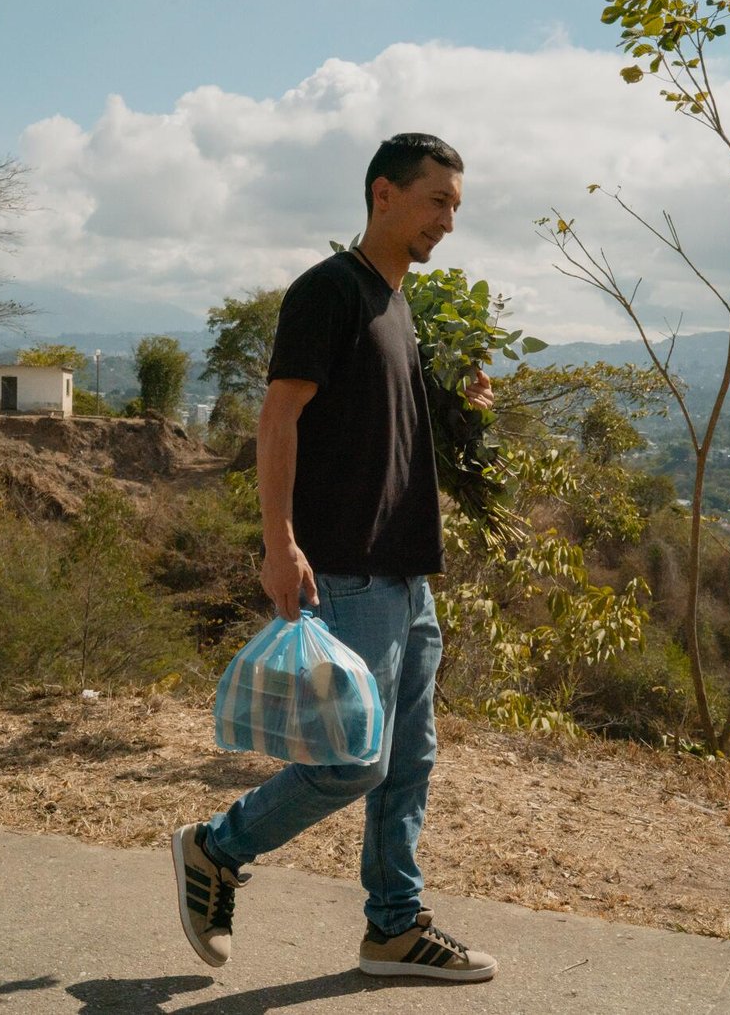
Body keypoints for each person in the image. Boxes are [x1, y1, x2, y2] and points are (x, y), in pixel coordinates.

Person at [171, 133, 497, 983]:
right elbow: (278, 418)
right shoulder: (330, 290)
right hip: (346, 571)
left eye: (456, 206)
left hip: (406, 574)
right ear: (384, 193)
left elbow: (383, 428)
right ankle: (216, 848)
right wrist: (279, 543)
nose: (448, 221)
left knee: (409, 760)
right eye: (436, 201)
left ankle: (394, 927)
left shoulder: (397, 304)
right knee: (354, 760)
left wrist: (461, 406)